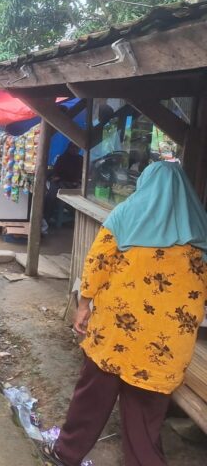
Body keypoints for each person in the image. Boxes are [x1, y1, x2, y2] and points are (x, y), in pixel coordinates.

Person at [42, 162, 207, 466]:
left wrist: (83, 305)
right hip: (165, 345)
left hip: (116, 333)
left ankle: (66, 452)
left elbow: (97, 264)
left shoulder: (125, 216)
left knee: (91, 397)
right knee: (145, 420)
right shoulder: (200, 230)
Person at [45, 143, 83, 224]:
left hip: (75, 184)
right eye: (73, 147)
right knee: (51, 196)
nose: (75, 149)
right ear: (69, 148)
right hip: (61, 182)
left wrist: (78, 182)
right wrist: (58, 179)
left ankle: (74, 219)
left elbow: (83, 174)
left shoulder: (81, 159)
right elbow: (56, 173)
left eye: (77, 148)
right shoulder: (62, 158)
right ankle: (46, 218)